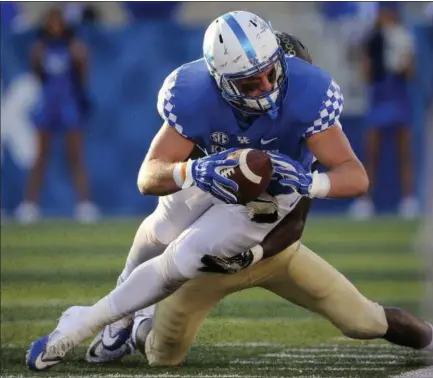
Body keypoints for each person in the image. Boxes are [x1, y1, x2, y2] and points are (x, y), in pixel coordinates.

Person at [25, 10, 391, 371]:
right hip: (212, 175)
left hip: (266, 202)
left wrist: (311, 181)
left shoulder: (311, 93)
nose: (265, 88)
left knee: (184, 258)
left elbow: (355, 176)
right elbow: (147, 177)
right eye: (250, 83)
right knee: (161, 231)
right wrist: (194, 169)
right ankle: (122, 321)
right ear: (220, 81)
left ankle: (81, 323)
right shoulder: (193, 92)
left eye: (271, 74)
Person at [15, 7, 99, 224]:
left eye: (58, 22)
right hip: (47, 105)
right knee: (40, 156)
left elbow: (83, 79)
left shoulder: (74, 48)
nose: (55, 26)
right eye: (51, 22)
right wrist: (36, 59)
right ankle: (29, 205)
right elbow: (37, 77)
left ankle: (84, 205)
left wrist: (82, 60)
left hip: (68, 105)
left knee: (75, 156)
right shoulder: (40, 49)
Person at [348, 3, 418, 220]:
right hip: (378, 99)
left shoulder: (404, 36)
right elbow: (365, 73)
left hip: (398, 98)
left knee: (404, 154)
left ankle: (408, 201)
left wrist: (400, 58)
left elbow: (410, 72)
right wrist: (371, 55)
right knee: (372, 154)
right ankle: (365, 201)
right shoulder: (372, 38)